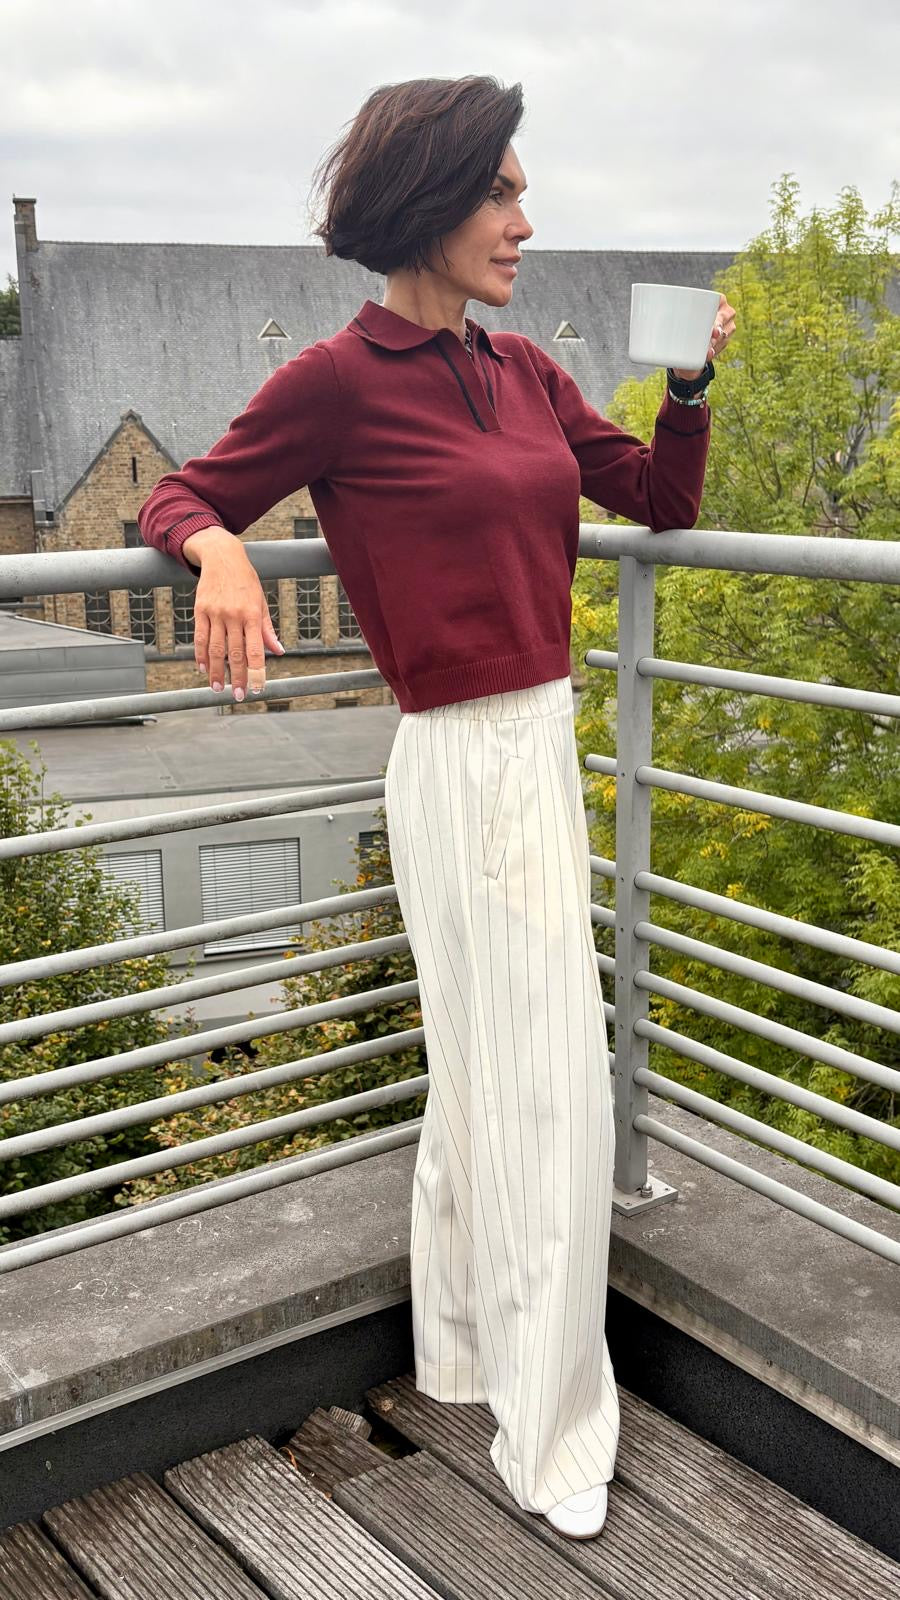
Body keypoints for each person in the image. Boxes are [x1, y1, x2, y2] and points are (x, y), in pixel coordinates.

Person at [138, 74, 735, 1540]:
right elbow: (183, 493)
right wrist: (216, 548)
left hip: (538, 750)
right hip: (456, 763)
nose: (527, 222)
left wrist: (692, 389)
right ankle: (552, 1430)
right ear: (432, 202)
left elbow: (657, 500)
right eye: (504, 194)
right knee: (540, 1087)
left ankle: (467, 1351)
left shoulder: (522, 372)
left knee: (496, 1074)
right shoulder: (340, 380)